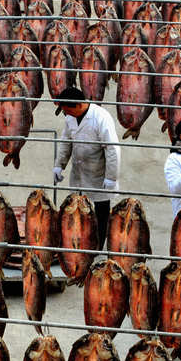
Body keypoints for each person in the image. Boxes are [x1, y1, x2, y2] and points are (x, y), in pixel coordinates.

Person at [53, 86, 120, 248]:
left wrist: (111, 177)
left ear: (77, 105)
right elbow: (65, 142)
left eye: (66, 110)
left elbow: (112, 149)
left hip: (99, 173)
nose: (65, 114)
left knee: (100, 212)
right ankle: (79, 243)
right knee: (77, 209)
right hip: (79, 171)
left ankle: (97, 247)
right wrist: (59, 165)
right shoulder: (70, 117)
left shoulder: (101, 117)